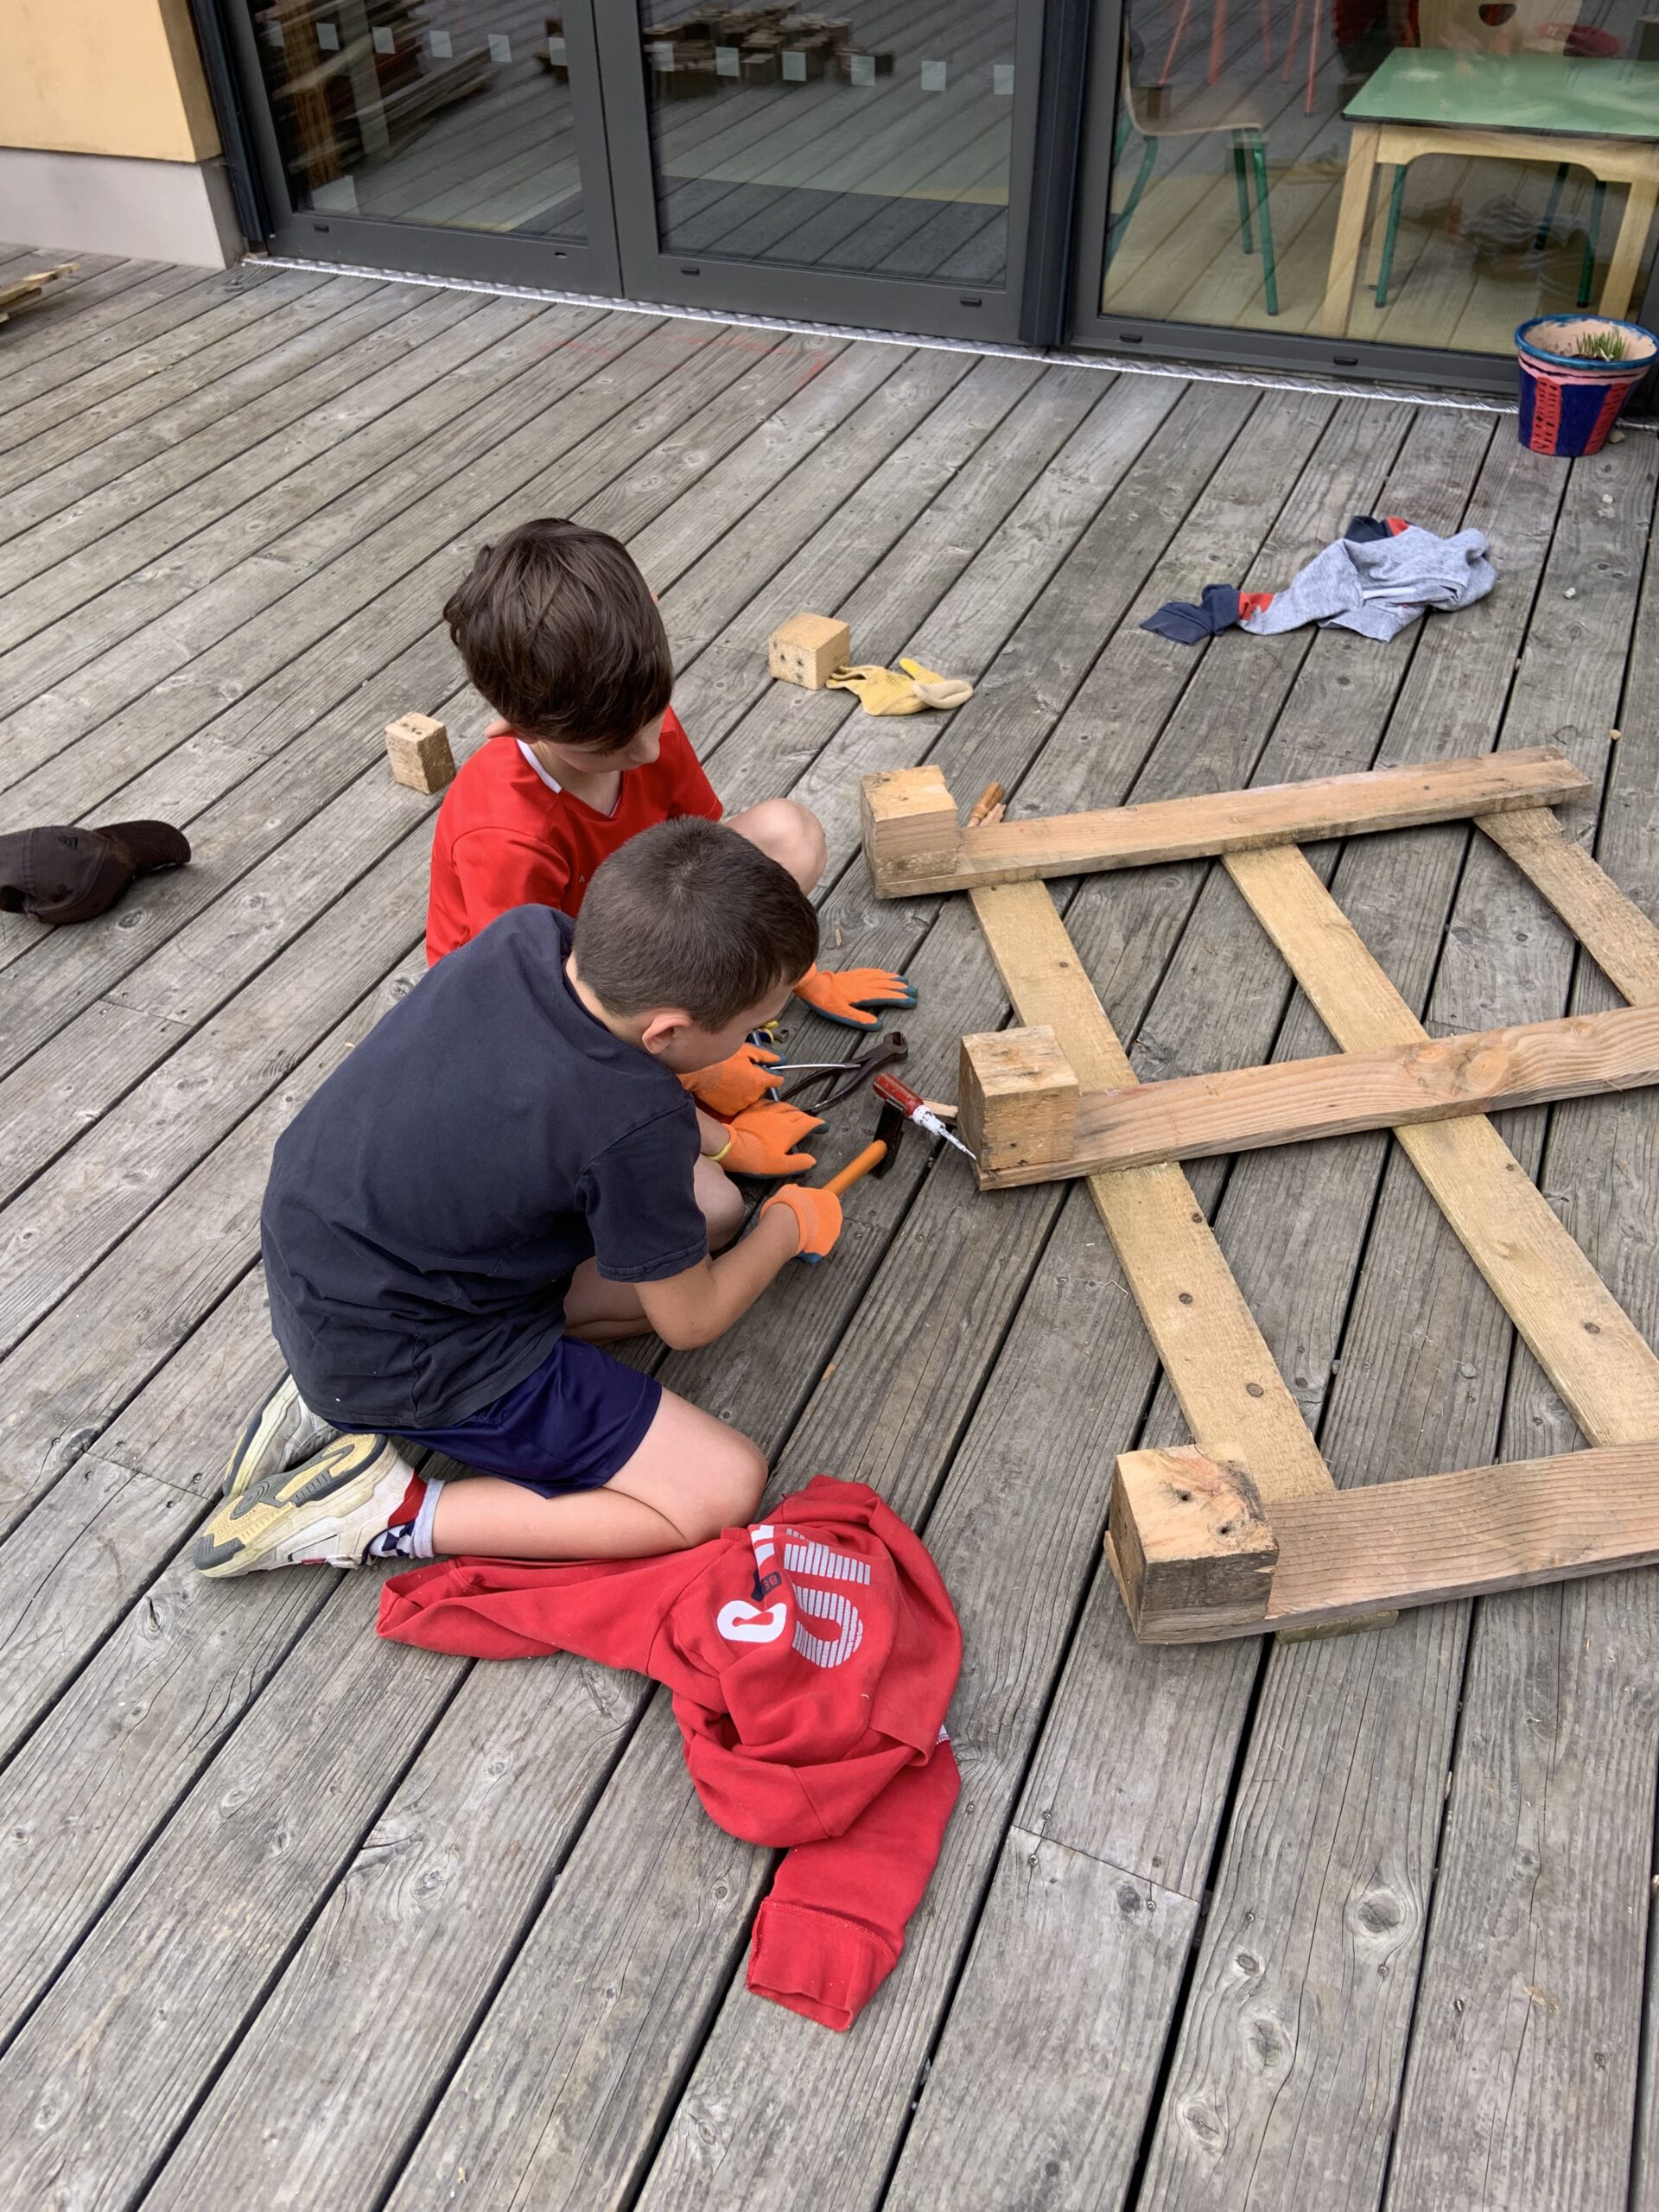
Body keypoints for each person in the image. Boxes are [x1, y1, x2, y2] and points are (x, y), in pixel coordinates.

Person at [194, 819, 842, 1580]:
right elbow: (690, 1321)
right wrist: (785, 1228)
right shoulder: (635, 1126)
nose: (754, 1039)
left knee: (712, 1217)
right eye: (752, 1027)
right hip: (415, 1355)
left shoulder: (528, 938)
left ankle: (326, 1396)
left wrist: (717, 1137)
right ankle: (387, 1512)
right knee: (720, 1486)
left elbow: (596, 1100)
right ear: (667, 1031)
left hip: (329, 1270)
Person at [423, 517, 917, 1046]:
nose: (649, 752)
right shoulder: (507, 835)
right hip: (537, 984)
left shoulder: (629, 709)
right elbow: (526, 992)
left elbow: (715, 867)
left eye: (655, 716)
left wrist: (792, 971)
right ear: (516, 727)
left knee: (789, 835)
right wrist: (701, 1063)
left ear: (653, 614)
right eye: (607, 749)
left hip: (645, 915)